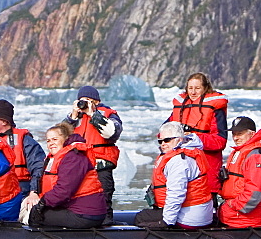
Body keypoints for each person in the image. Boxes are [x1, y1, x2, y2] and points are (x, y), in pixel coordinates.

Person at [22, 123, 108, 228]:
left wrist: (42, 203)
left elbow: (64, 190)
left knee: (35, 216)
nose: (51, 143)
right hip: (71, 207)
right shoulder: (56, 158)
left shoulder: (74, 158)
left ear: (65, 139)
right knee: (30, 207)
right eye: (48, 141)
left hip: (86, 213)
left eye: (55, 139)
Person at [135, 122, 213, 229]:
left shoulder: (179, 161)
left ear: (179, 140)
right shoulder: (187, 153)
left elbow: (176, 194)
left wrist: (166, 222)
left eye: (167, 140)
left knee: (141, 217)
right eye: (160, 141)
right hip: (200, 212)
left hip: (191, 218)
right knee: (150, 214)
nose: (163, 143)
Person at [65, 85, 122, 220]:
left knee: (104, 201)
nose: (84, 103)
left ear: (96, 101)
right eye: (81, 100)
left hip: (101, 166)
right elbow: (60, 137)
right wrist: (72, 118)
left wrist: (93, 115)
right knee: (77, 200)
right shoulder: (75, 118)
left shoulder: (108, 114)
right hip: (79, 167)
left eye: (88, 100)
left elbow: (112, 133)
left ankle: (106, 226)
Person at [165, 72, 228, 193]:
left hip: (206, 170)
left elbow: (220, 141)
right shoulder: (180, 108)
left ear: (205, 88)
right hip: (181, 170)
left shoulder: (215, 109)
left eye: (197, 88)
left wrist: (194, 138)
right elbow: (163, 134)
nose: (193, 92)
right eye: (190, 88)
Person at [218, 116, 261, 228]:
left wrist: (233, 205)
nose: (235, 138)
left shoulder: (256, 156)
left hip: (248, 219)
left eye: (240, 134)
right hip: (238, 215)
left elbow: (255, 192)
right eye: (234, 134)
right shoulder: (241, 151)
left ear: (251, 134)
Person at [0, 99, 45, 195]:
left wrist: (34, 191)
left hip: (21, 190)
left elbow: (39, 167)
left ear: (4, 121)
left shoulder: (25, 141)